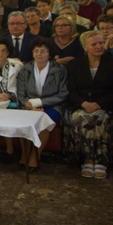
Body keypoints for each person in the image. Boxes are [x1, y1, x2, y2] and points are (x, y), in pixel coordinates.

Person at [66, 31, 113, 180]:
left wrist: (98, 104)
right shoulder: (75, 65)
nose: (99, 46)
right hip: (82, 105)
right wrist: (83, 103)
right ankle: (87, 159)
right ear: (85, 47)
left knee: (98, 120)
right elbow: (71, 91)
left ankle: (100, 161)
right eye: (94, 44)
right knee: (80, 119)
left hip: (105, 105)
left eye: (100, 43)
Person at [16, 38, 68, 169]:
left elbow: (63, 94)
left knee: (44, 123)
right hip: (29, 106)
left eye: (43, 51)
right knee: (25, 123)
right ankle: (25, 154)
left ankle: (35, 156)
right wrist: (30, 106)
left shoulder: (59, 69)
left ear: (49, 54)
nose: (39, 54)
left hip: (52, 106)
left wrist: (40, 102)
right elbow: (21, 94)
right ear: (32, 53)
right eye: (36, 51)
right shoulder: (25, 69)